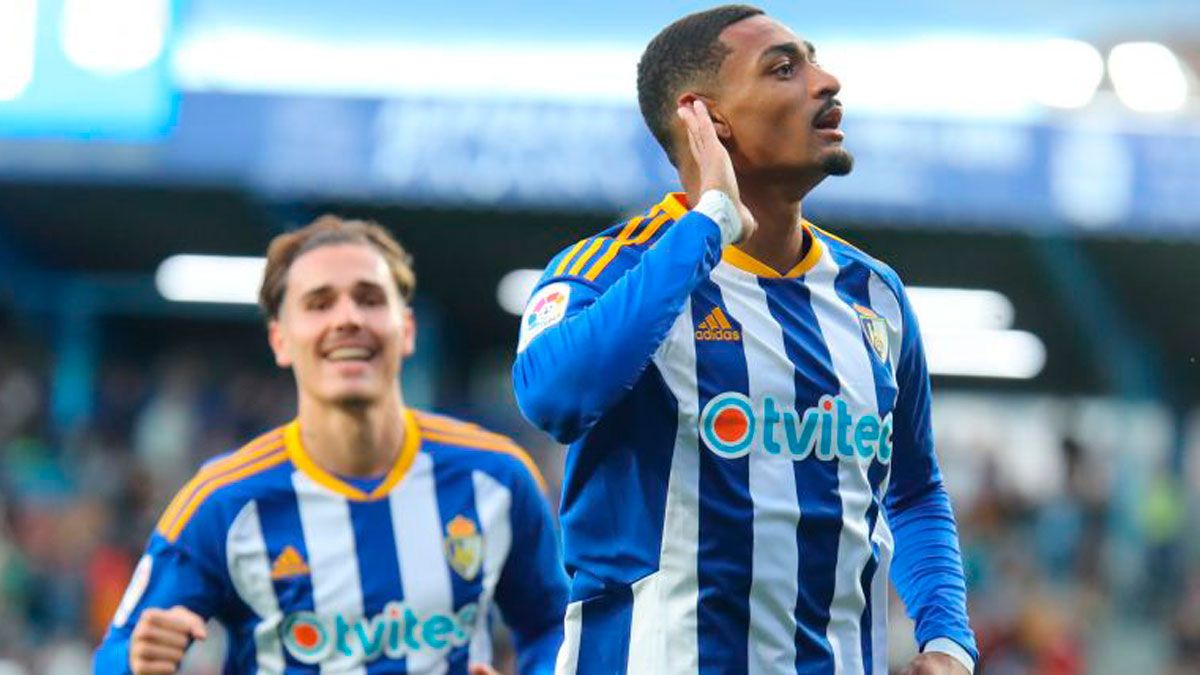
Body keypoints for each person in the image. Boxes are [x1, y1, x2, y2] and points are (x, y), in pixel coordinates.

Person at [512, 5, 975, 674]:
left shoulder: (873, 294)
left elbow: (913, 487)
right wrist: (712, 223)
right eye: (784, 68)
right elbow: (554, 397)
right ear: (706, 117)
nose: (827, 81)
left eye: (814, 61)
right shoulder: (611, 269)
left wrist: (948, 639)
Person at [96, 216, 568, 674]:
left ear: (406, 330)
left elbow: (553, 625)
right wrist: (136, 661)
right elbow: (119, 649)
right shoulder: (223, 500)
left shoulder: (497, 477)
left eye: (369, 299)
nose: (347, 318)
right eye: (320, 303)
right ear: (280, 339)